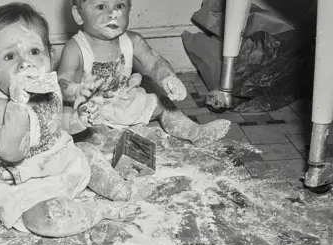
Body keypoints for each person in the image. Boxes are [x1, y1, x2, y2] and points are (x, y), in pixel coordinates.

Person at [0, 2, 140, 237]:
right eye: (10, 56)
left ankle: (119, 188)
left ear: (50, 57)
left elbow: (55, 121)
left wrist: (78, 118)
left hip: (56, 161)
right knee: (45, 220)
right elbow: (11, 152)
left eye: (34, 52)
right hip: (24, 183)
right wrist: (18, 105)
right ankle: (98, 210)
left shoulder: (48, 87)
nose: (25, 63)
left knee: (88, 153)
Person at [57, 0, 231, 150]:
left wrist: (168, 78)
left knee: (163, 104)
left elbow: (154, 62)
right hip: (93, 109)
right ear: (78, 14)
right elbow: (62, 82)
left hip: (125, 99)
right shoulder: (75, 49)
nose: (113, 14)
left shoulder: (132, 40)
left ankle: (194, 131)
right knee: (95, 136)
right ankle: (117, 143)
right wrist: (74, 90)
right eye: (101, 6)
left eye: (119, 5)